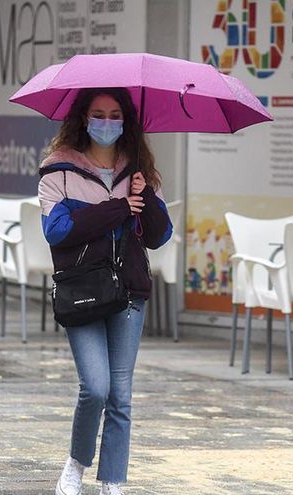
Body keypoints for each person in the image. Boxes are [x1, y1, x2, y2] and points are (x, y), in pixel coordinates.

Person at [38, 88, 173, 495]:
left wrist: (144, 196)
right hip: (82, 290)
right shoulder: (58, 170)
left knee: (121, 394)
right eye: (99, 114)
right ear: (84, 118)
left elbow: (159, 236)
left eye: (115, 115)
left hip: (129, 291)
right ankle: (76, 463)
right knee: (95, 387)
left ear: (125, 121)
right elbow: (58, 231)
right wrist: (118, 207)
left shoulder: (139, 170)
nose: (107, 122)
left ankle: (112, 481)